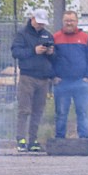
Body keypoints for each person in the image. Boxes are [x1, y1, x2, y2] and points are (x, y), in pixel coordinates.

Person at [11, 8, 55, 152]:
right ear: (32, 19)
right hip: (27, 77)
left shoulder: (47, 35)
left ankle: (33, 140)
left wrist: (50, 52)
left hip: (43, 79)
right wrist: (33, 51)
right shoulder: (22, 34)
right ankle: (21, 139)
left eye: (43, 23)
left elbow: (54, 58)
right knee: (24, 110)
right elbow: (16, 52)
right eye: (39, 22)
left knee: (38, 111)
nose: (41, 26)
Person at [52, 10, 88, 139]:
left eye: (72, 20)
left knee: (82, 113)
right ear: (63, 21)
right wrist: (53, 76)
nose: (69, 23)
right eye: (67, 20)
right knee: (61, 113)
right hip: (61, 83)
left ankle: (84, 139)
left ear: (77, 22)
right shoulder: (55, 38)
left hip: (80, 82)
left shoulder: (85, 38)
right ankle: (60, 140)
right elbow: (50, 59)